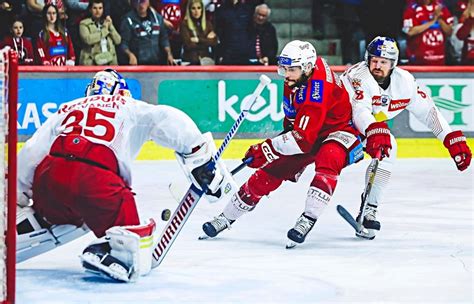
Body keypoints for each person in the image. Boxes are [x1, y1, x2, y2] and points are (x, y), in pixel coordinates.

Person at [16, 69, 224, 282]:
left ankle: (35, 222)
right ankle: (114, 251)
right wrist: (198, 156)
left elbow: (32, 151)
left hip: (49, 179)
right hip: (94, 180)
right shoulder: (129, 107)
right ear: (122, 92)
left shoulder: (67, 108)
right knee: (132, 237)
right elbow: (168, 118)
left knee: (63, 206)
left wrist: (18, 198)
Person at [201, 40, 364, 247]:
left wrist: (266, 148)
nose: (286, 74)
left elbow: (303, 141)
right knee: (271, 171)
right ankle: (225, 218)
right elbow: (295, 123)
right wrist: (275, 149)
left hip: (339, 131)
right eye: (284, 68)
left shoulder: (317, 90)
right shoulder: (299, 75)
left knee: (328, 158)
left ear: (306, 68)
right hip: (309, 131)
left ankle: (308, 218)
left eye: (291, 69)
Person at [340, 36, 472, 239]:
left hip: (370, 129)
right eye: (374, 60)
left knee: (389, 149)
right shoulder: (357, 76)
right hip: (342, 125)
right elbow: (359, 111)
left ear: (393, 64)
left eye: (383, 62)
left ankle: (370, 207)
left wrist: (450, 139)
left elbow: (429, 112)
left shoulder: (406, 82)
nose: (377, 66)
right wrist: (374, 129)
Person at [120, 0, 175, 65]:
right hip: (138, 64)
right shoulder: (128, 20)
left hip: (156, 63)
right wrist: (130, 55)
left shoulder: (157, 19)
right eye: (137, 1)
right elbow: (123, 44)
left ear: (148, 2)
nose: (140, 5)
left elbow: (164, 39)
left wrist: (169, 54)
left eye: (142, 1)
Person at [403, 0, 454, 65]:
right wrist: (432, 22)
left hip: (439, 61)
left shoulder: (441, 7)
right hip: (418, 61)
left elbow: (449, 32)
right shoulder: (411, 9)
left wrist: (439, 19)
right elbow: (410, 32)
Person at [79, 0, 121, 65]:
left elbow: (118, 40)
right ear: (90, 9)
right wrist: (104, 31)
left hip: (110, 61)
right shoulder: (84, 24)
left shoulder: (107, 22)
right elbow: (88, 39)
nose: (98, 11)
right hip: (92, 61)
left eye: (100, 8)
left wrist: (110, 26)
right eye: (95, 8)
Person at [180, 0, 217, 65]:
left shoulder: (208, 24)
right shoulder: (184, 25)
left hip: (206, 62)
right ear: (189, 10)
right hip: (190, 62)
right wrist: (206, 40)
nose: (196, 11)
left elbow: (214, 42)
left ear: (202, 10)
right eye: (193, 8)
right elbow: (188, 45)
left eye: (199, 8)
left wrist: (198, 40)